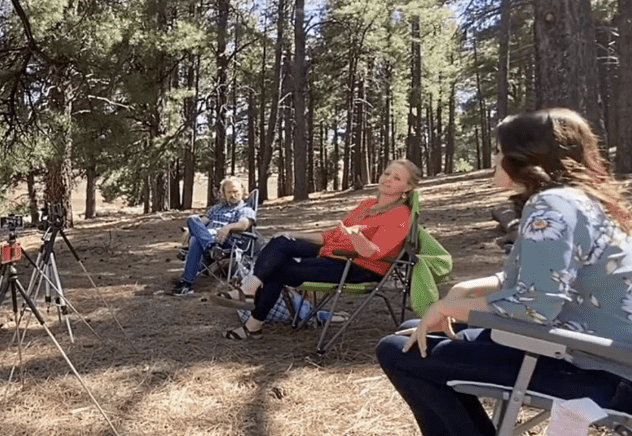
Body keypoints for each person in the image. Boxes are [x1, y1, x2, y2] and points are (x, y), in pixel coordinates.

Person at [376, 109, 632, 436]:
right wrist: (469, 287)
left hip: (601, 372)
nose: (493, 158)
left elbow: (535, 305)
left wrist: (448, 307)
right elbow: (546, 274)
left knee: (398, 351)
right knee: (414, 332)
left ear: (524, 157)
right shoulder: (576, 201)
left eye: (498, 150)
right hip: (596, 353)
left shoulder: (553, 205)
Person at [214, 159, 421, 340]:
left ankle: (252, 324)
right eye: (387, 173)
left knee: (277, 269)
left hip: (358, 267)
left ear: (408, 188)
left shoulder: (400, 215)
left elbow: (374, 253)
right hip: (333, 255)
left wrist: (357, 238)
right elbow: (332, 236)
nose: (388, 179)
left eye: (397, 178)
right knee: (281, 242)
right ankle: (248, 292)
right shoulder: (367, 204)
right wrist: (294, 234)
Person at [170, 177, 256, 296]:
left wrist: (228, 227)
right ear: (223, 194)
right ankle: (211, 247)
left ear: (242, 191)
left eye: (236, 191)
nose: (233, 195)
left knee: (196, 239)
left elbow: (244, 224)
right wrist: (190, 231)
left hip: (228, 240)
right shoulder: (216, 209)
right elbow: (202, 222)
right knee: (192, 221)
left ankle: (186, 283)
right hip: (210, 239)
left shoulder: (245, 208)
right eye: (229, 192)